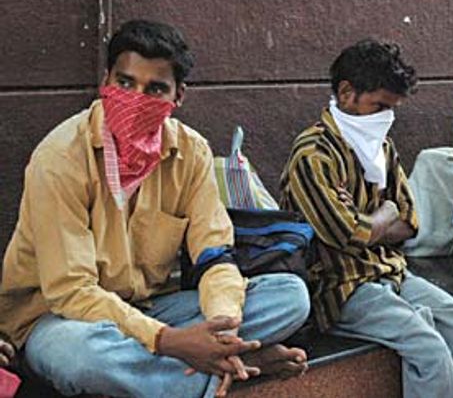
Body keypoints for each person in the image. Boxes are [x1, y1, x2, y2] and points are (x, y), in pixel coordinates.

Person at [0, 20, 310, 398]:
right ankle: (235, 369)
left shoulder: (190, 152)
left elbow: (215, 257)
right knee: (77, 358)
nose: (135, 98)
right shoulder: (61, 157)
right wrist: (168, 341)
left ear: (178, 96)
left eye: (155, 89)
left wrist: (222, 331)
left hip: (151, 306)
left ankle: (204, 362)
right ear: (105, 82)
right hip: (60, 319)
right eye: (125, 83)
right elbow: (72, 291)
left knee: (290, 296)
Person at [280, 39, 453, 398]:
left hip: (391, 272)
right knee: (429, 349)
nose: (386, 118)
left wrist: (377, 218)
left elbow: (410, 221)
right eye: (379, 106)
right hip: (340, 287)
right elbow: (345, 234)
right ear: (347, 93)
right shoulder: (313, 155)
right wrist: (383, 213)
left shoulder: (381, 147)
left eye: (391, 109)